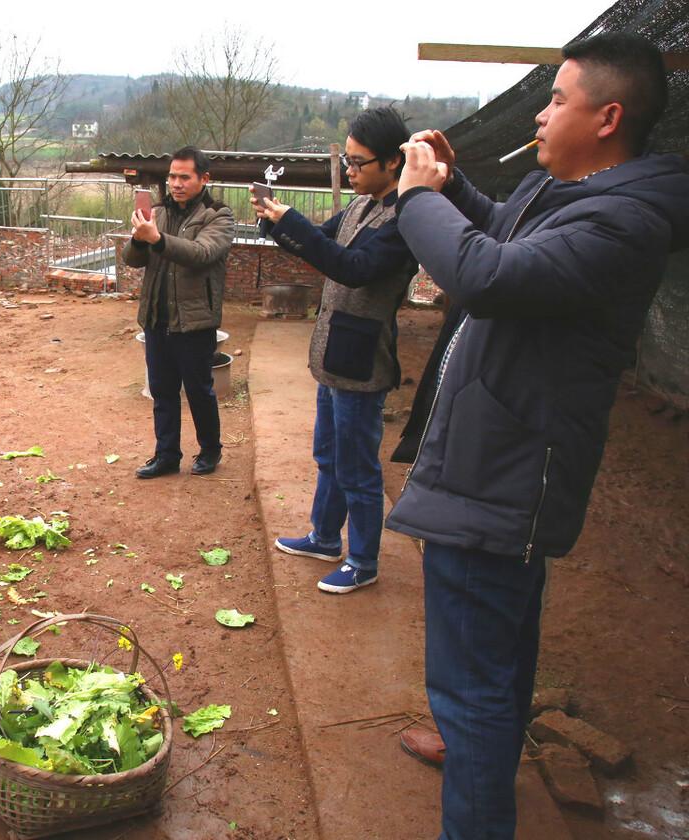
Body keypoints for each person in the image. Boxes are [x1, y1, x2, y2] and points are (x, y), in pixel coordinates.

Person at [389, 33, 688, 838]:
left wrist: (416, 197)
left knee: (472, 689)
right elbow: (504, 235)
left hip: (503, 479)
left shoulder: (623, 221)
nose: (543, 111)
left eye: (557, 98)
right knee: (494, 669)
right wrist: (455, 188)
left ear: (608, 117)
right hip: (494, 469)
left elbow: (487, 274)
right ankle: (476, 748)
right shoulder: (580, 194)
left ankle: (475, 797)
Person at [253, 106, 417, 594]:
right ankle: (325, 537)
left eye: (358, 163)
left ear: (392, 162)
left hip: (362, 360)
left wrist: (295, 224)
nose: (350, 172)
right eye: (347, 161)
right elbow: (321, 243)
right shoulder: (361, 205)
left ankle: (363, 560)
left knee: (359, 468)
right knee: (328, 455)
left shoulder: (404, 218)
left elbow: (352, 267)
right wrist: (275, 221)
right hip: (332, 354)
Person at [125, 146, 235, 479]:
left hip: (195, 321)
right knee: (162, 391)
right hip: (158, 317)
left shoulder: (219, 215)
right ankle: (167, 454)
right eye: (172, 176)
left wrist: (156, 238)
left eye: (184, 177)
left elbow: (202, 253)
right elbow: (133, 260)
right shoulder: (158, 212)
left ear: (204, 178)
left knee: (199, 390)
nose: (176, 183)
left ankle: (210, 449)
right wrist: (140, 238)